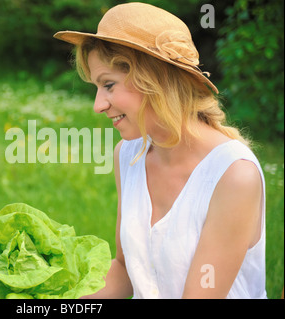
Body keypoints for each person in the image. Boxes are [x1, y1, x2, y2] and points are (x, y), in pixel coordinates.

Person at [54, 2, 266, 298]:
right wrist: (41, 299)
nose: (98, 105)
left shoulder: (233, 175)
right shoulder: (128, 155)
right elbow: (125, 269)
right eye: (96, 88)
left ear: (154, 80)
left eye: (109, 85)